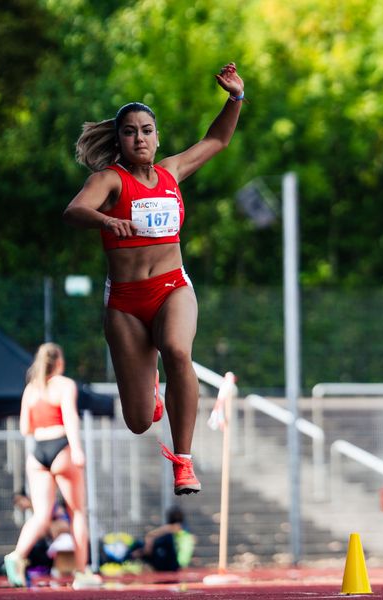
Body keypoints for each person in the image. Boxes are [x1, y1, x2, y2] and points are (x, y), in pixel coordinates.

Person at [63, 62, 245, 496]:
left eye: (147, 130)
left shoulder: (171, 173)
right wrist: (106, 223)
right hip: (126, 302)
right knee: (140, 420)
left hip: (171, 288)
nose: (140, 138)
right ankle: (151, 387)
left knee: (178, 350)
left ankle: (184, 461)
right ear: (119, 139)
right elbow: (73, 211)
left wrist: (235, 98)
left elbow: (217, 139)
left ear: (157, 136)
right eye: (130, 131)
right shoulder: (109, 180)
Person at [4, 343, 101, 590]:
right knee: (77, 512)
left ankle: (16, 555)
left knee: (41, 514)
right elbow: (69, 417)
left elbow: (25, 428)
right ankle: (82, 572)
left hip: (37, 452)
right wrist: (77, 450)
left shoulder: (31, 389)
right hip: (62, 448)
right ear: (59, 362)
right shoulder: (64, 385)